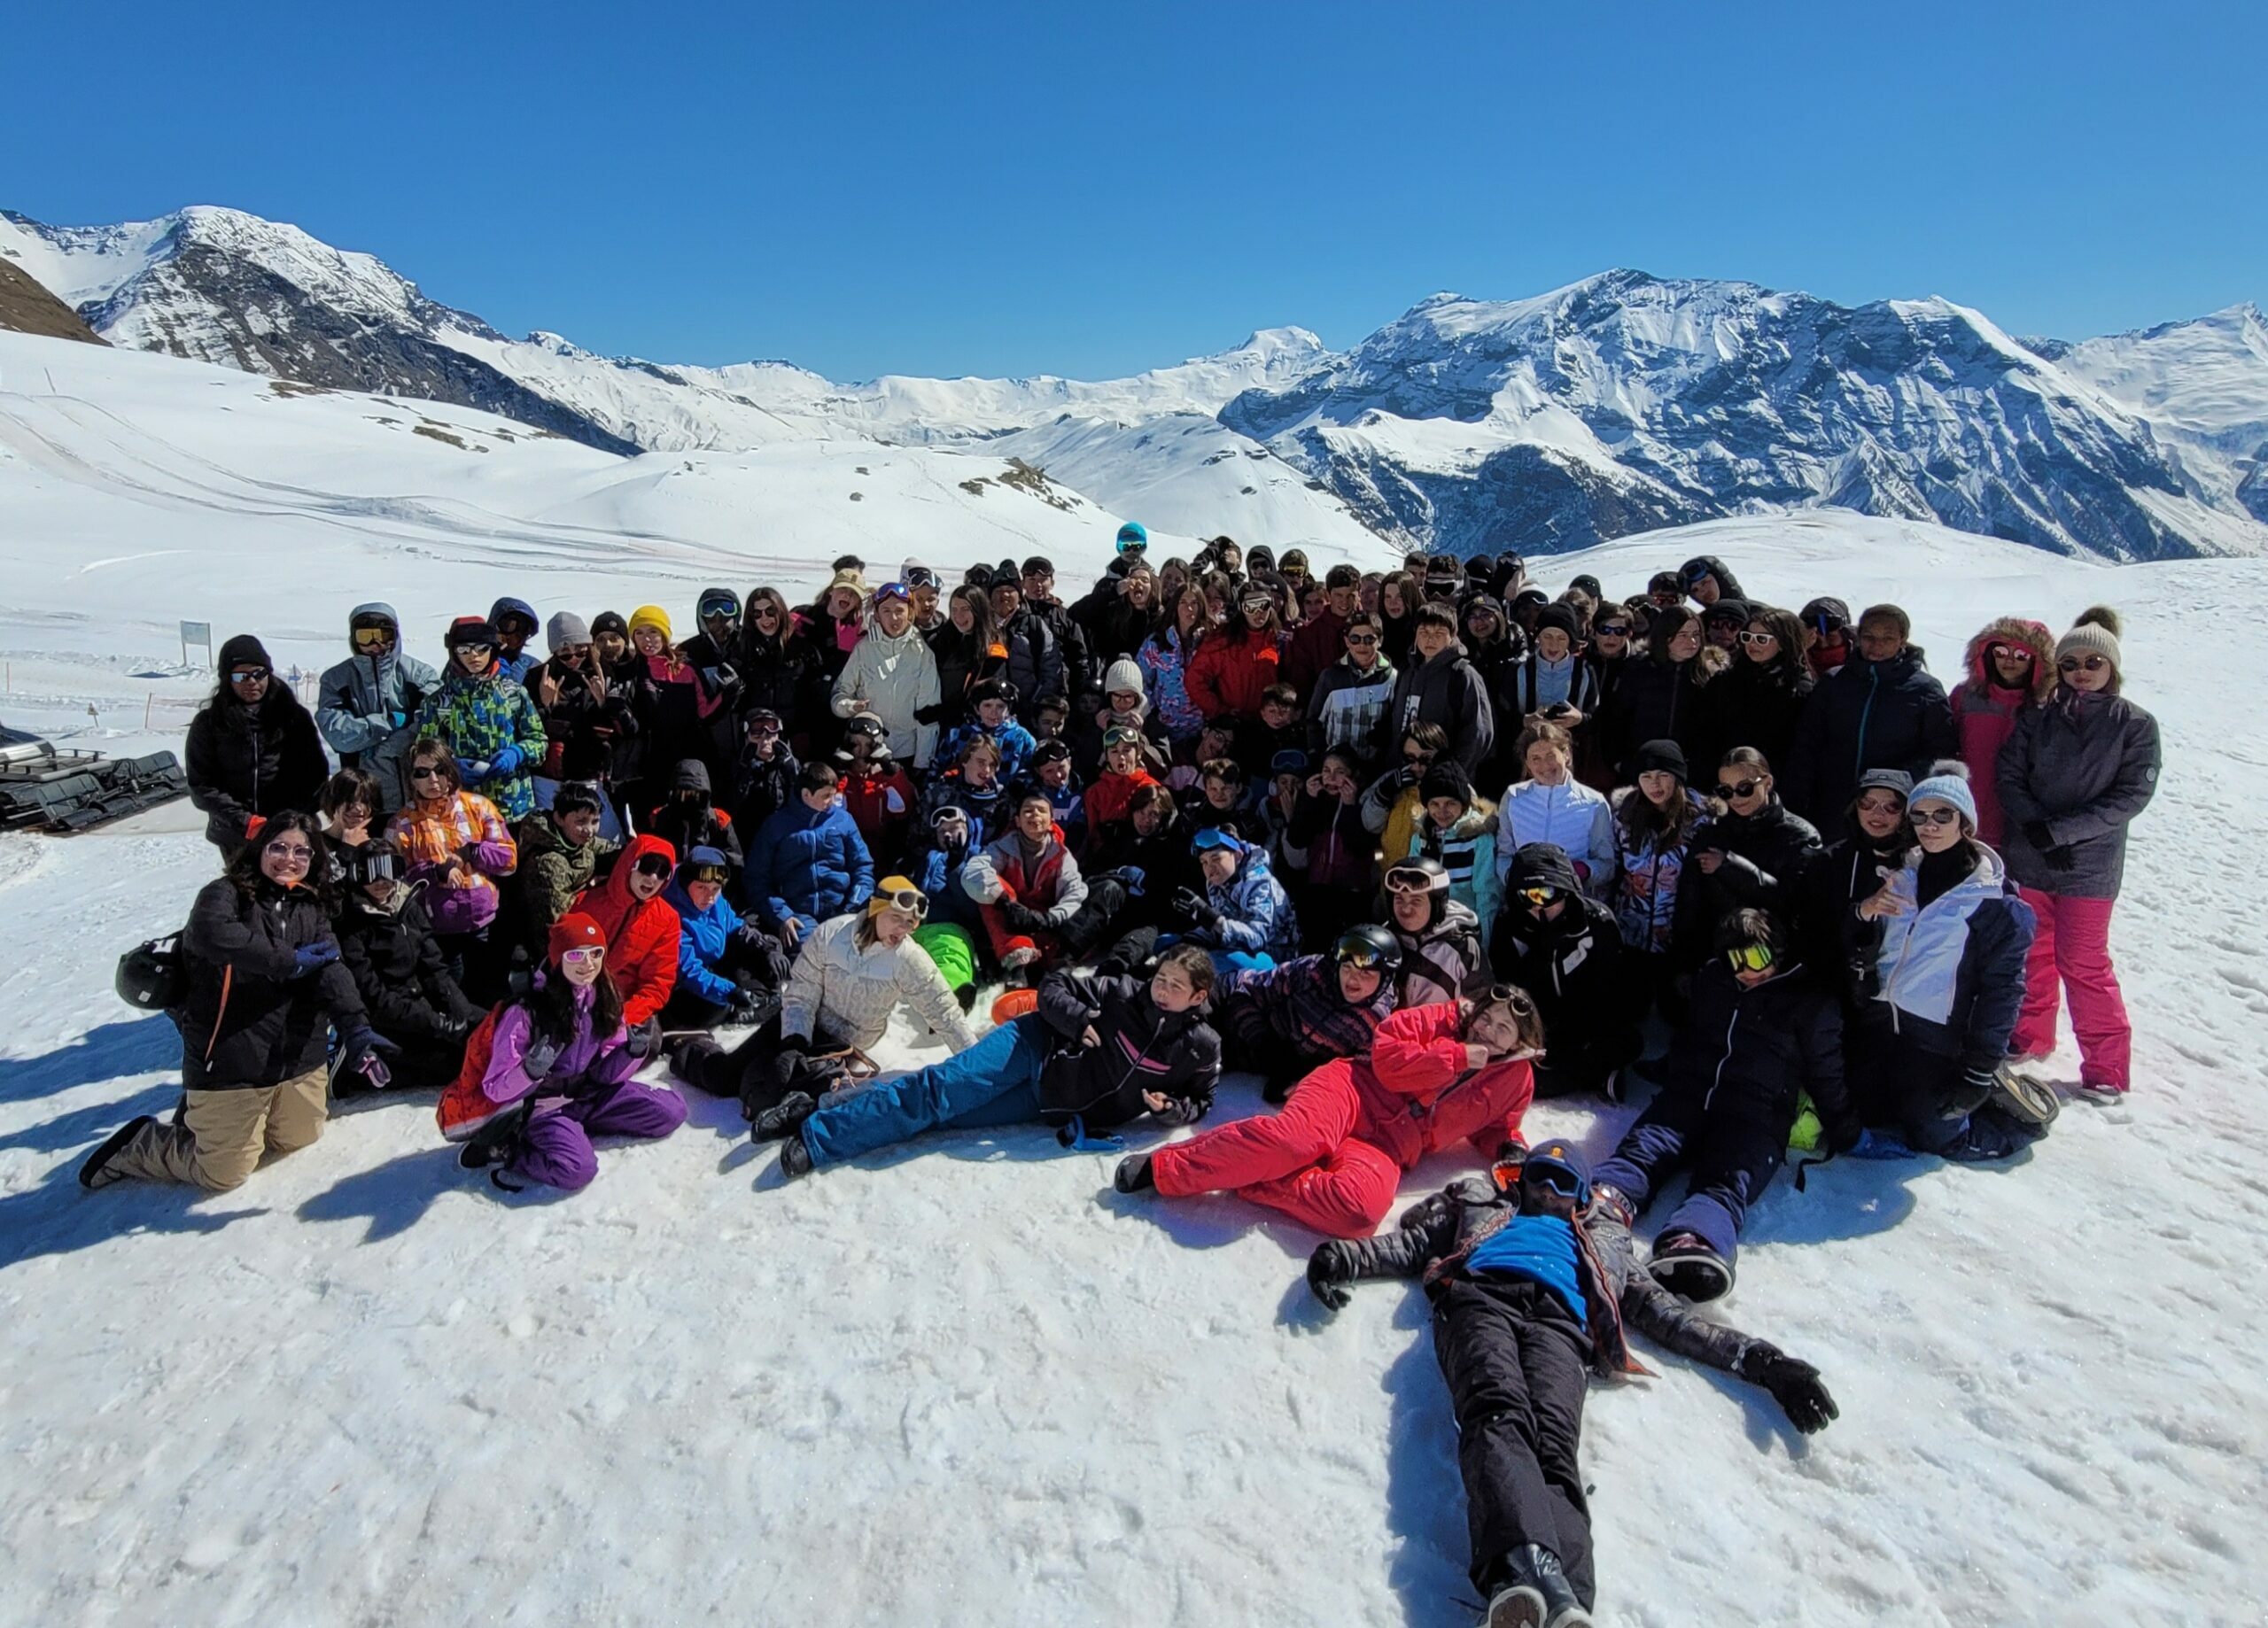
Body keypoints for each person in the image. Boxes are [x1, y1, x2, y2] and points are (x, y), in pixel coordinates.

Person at [1305, 1140, 1838, 1628]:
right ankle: (1521, 1573)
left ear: (1582, 1198)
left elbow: (1667, 1315)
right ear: (1522, 1180)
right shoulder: (1482, 1202)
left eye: (1564, 1184)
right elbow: (1412, 1243)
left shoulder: (1607, 1239)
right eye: (1539, 1176)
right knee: (1497, 1411)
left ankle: (1566, 1608)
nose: (1548, 1190)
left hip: (1561, 1325)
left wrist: (1763, 1362)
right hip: (1482, 1301)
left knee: (1555, 1448)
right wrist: (1343, 1257)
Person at [79, 813, 392, 1192]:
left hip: (296, 1056)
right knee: (224, 1174)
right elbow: (215, 936)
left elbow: (331, 969)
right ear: (260, 848)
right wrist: (289, 961)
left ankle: (221, 1122)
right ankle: (141, 1143)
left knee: (300, 1138)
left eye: (301, 852)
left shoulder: (311, 907)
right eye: (278, 847)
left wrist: (356, 1028)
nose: (288, 859)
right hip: (231, 1057)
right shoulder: (224, 895)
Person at [753, 946, 1222, 1178]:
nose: (1161, 989)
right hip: (1033, 1044)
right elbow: (1054, 986)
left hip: (1051, 1102)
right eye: (1161, 978)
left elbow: (1200, 1097)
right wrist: (1078, 1020)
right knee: (936, 1091)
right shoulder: (1122, 993)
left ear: (1198, 996)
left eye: (1175, 987)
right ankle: (821, 1139)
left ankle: (817, 1103)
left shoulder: (1200, 1047)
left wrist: (1170, 1111)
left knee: (941, 1113)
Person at [1115, 988, 1542, 1238]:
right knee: (1294, 1142)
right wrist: (1454, 1055)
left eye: (1502, 1029)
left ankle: (1255, 1178)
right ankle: (1166, 1168)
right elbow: (1389, 1062)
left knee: (1360, 1213)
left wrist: (1510, 1148)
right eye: (1487, 1018)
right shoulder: (1441, 1019)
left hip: (1390, 1145)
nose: (1487, 1031)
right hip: (1353, 1090)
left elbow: (1499, 1126)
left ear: (1519, 1041)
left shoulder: (1516, 1079)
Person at [1593, 908, 1852, 1300]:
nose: (1747, 971)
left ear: (1777, 952)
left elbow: (1827, 1073)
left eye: (1757, 959)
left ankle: (1693, 1241)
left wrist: (1847, 1128)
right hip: (1692, 1094)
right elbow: (1693, 1036)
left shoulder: (1808, 1002)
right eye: (1736, 961)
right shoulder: (1714, 979)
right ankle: (1605, 1205)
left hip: (1756, 1113)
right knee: (1645, 1147)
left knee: (1726, 1180)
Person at [1999, 609, 2158, 1101]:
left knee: (2085, 963)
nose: (2082, 671)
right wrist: (2035, 828)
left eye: (2093, 662)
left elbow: (2131, 795)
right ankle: (2029, 1036)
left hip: (2089, 868)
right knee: (2032, 951)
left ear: (2112, 667)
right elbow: (2009, 775)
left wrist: (2061, 833)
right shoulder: (2037, 717)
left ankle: (2106, 1068)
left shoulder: (2135, 725)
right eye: (2071, 663)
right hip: (2032, 858)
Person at [1849, 765, 2043, 1159]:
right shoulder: (1901, 874)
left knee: (1936, 1136)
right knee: (1863, 1113)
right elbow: (1874, 947)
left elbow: (2002, 993)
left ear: (1965, 822)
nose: (1929, 826)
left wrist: (1979, 1070)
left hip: (1939, 1041)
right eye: (1919, 815)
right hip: (1884, 1027)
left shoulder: (1993, 903)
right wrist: (1863, 920)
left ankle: (2010, 1111)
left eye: (1943, 815)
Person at [672, 881, 977, 1119]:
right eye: (897, 919)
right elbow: (802, 990)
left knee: (761, 1087)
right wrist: (795, 1041)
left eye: (911, 924)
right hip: (802, 1023)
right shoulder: (833, 934)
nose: (905, 929)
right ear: (875, 909)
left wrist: (978, 1063)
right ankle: (691, 1048)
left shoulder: (908, 958)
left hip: (845, 1043)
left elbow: (944, 1011)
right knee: (724, 1078)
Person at [439, 912, 684, 1193]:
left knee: (671, 1110)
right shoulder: (526, 1012)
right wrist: (528, 1072)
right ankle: (508, 1151)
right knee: (577, 1169)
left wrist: (631, 1052)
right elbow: (494, 1087)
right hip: (543, 1106)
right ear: (558, 958)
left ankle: (575, 1129)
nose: (588, 964)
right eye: (576, 956)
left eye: (596, 953)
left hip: (589, 1094)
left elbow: (605, 1075)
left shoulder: (604, 997)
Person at [1782, 603, 1956, 830]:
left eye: (1887, 638)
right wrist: (1800, 793)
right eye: (1869, 637)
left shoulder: (1925, 690)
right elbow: (1807, 742)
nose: (1877, 646)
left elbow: (1940, 751)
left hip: (1890, 809)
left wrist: (1895, 783)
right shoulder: (1835, 682)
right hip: (1831, 805)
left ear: (1902, 639)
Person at [331, 837, 483, 1093]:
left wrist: (459, 1010)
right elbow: (373, 997)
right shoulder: (351, 923)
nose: (380, 881)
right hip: (389, 1021)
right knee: (459, 1063)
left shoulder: (407, 905)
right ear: (357, 875)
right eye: (370, 872)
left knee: (488, 1028)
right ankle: (364, 1067)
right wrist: (437, 1024)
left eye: (389, 870)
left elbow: (433, 966)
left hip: (422, 1004)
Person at [1491, 843, 1640, 1099]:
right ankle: (1589, 1075)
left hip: (1587, 1021)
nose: (1536, 905)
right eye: (1525, 896)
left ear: (1567, 890)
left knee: (1629, 1041)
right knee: (1512, 1067)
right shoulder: (1509, 923)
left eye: (1545, 894)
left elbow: (1614, 991)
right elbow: (1508, 989)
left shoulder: (1596, 922)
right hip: (1539, 1024)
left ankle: (1595, 1070)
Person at [385, 739, 518, 1000]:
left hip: (483, 927)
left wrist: (473, 852)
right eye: (421, 773)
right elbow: (394, 884)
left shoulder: (479, 806)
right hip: (437, 934)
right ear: (411, 779)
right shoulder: (401, 822)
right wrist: (434, 872)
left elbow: (509, 860)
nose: (432, 779)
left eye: (439, 770)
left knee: (490, 996)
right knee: (451, 1001)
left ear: (451, 771)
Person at [1216, 926, 1403, 1103]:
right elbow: (1245, 991)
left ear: (1385, 979)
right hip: (1237, 1020)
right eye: (1347, 968)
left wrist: (1311, 1082)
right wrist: (1264, 1044)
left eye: (1366, 974)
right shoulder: (1310, 973)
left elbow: (1360, 1073)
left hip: (1283, 1068)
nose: (1352, 979)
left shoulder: (1376, 1022)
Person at [185, 633, 330, 859]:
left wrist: (288, 821)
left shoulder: (293, 718)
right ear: (227, 679)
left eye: (258, 673)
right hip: (237, 836)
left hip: (292, 832)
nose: (251, 682)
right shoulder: (210, 723)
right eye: (241, 675)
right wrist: (246, 822)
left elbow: (315, 776)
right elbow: (202, 786)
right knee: (247, 892)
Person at [1607, 740, 1712, 1025]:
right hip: (1632, 930)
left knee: (1675, 1011)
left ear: (1677, 777)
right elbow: (1614, 867)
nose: (1655, 784)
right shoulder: (1625, 816)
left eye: (1663, 775)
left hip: (1678, 933)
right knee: (1630, 1009)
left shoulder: (1702, 821)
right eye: (1646, 777)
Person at [408, 616, 548, 823]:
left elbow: (539, 741)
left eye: (482, 649)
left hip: (512, 807)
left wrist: (517, 753)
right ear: (454, 653)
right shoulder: (440, 701)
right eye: (464, 650)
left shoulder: (514, 694)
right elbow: (425, 751)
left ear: (493, 650)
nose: (474, 656)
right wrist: (451, 767)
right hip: (460, 809)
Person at [1801, 768, 1912, 1009]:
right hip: (1841, 991)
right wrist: (1862, 912)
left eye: (1891, 806)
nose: (1877, 813)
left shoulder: (1918, 863)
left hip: (1902, 997)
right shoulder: (1828, 862)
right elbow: (1815, 933)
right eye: (1867, 803)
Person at [317, 603, 439, 814]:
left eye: (383, 635)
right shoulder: (336, 680)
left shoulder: (420, 675)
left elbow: (432, 723)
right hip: (362, 800)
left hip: (416, 794)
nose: (375, 644)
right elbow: (338, 734)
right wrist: (391, 722)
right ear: (354, 639)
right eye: (365, 636)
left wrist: (387, 747)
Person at [744, 758, 874, 949]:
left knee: (849, 952)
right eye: (826, 796)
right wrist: (782, 914)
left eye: (833, 794)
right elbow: (756, 877)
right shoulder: (776, 826)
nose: (832, 801)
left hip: (842, 908)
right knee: (811, 952)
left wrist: (854, 905)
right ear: (806, 794)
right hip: (798, 913)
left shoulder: (843, 821)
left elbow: (863, 866)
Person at [1950, 616, 2056, 848]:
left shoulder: (2045, 708)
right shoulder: (1966, 697)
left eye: (2021, 655)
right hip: (1965, 814)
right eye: (2000, 652)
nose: (2009, 661)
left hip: (2016, 824)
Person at [962, 787, 1091, 974]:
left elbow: (1075, 891)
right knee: (991, 885)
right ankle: (1017, 960)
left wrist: (1049, 918)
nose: (1035, 815)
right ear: (1018, 821)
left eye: (1041, 811)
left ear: (1051, 822)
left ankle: (1041, 962)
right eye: (1028, 811)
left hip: (1041, 922)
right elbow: (972, 872)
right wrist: (1004, 900)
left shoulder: (1061, 856)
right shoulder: (1002, 848)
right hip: (1009, 917)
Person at [527, 611, 631, 831]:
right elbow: (527, 727)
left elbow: (624, 729)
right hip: (551, 778)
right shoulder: (538, 678)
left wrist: (604, 702)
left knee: (608, 838)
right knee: (554, 837)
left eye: (580, 651)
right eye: (565, 654)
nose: (574, 658)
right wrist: (545, 706)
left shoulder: (604, 673)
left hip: (590, 775)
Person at [1594, 604, 1720, 778]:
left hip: (1689, 775)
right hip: (1641, 770)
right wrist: (1618, 763)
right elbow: (1615, 719)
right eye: (1683, 635)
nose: (1691, 642)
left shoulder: (1709, 676)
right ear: (1665, 637)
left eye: (1696, 635)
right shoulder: (1638, 670)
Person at [1495, 723, 1615, 899]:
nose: (1545, 765)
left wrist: (1580, 872)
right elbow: (1504, 855)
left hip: (1574, 902)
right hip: (1525, 903)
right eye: (1536, 758)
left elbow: (1607, 865)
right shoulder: (1513, 797)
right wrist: (1514, 878)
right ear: (1527, 764)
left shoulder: (1594, 803)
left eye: (1551, 755)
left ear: (1566, 755)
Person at [571, 833, 680, 1026]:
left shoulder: (667, 920)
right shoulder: (587, 902)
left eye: (662, 872)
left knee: (645, 1042)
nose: (652, 878)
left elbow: (656, 984)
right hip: (575, 998)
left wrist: (623, 1019)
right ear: (630, 865)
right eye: (646, 868)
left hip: (620, 1006)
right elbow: (562, 955)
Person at [832, 578, 942, 770]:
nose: (894, 618)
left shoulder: (922, 653)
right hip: (866, 751)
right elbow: (839, 695)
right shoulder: (864, 650)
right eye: (887, 611)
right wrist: (850, 707)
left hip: (906, 752)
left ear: (909, 612)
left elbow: (928, 715)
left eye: (899, 611)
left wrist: (922, 764)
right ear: (877, 614)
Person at [620, 605, 730, 794]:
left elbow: (705, 712)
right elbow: (631, 723)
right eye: (639, 633)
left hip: (693, 755)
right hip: (652, 759)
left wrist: (730, 692)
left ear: (664, 634)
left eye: (654, 632)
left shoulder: (686, 667)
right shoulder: (630, 671)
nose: (647, 640)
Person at [1381, 603, 1495, 779]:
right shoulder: (1408, 671)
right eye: (1424, 633)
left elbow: (1478, 734)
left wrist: (1452, 774)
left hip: (1443, 781)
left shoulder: (1463, 675)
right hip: (1403, 774)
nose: (1430, 640)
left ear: (1452, 636)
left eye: (1439, 634)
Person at [1697, 605, 1814, 772]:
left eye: (1761, 639)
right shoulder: (1724, 681)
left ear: (1783, 643)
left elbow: (1801, 750)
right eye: (1747, 637)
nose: (1752, 644)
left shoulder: (1801, 691)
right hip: (1722, 777)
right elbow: (1704, 734)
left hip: (1772, 783)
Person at [503, 779, 607, 959]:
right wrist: (592, 888)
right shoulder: (548, 863)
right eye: (581, 821)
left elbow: (608, 848)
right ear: (559, 818)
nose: (589, 830)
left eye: (595, 821)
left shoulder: (575, 838)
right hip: (551, 945)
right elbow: (555, 919)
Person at [1173, 826, 1297, 974]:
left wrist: (1213, 920)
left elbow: (1258, 938)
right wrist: (1191, 939)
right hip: (1236, 945)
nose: (1210, 868)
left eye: (1216, 858)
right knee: (1169, 945)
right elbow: (1222, 922)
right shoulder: (1216, 881)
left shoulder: (1258, 881)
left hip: (1275, 955)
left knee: (1206, 964)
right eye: (1204, 862)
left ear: (1237, 856)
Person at [1287, 747, 1375, 948]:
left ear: (1353, 777)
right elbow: (1296, 839)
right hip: (1317, 887)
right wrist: (1308, 799)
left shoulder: (1363, 802)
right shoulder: (1316, 800)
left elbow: (1360, 847)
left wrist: (1350, 805)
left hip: (1351, 892)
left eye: (1340, 772)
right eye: (1326, 770)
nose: (1331, 777)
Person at [1383, 856, 1491, 1009]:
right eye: (1399, 900)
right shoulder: (1385, 940)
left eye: (1416, 901)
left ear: (1437, 905)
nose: (1406, 909)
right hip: (1391, 1030)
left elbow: (1479, 1005)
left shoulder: (1463, 947)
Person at [1408, 761, 1502, 935]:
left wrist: (1485, 940)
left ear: (1464, 804)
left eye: (1450, 803)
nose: (1442, 811)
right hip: (1428, 928)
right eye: (1435, 804)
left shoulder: (1479, 839)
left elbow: (1486, 894)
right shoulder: (1420, 838)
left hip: (1466, 929)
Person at [1307, 609, 1398, 772]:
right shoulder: (1330, 677)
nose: (1362, 645)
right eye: (1355, 639)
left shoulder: (1392, 678)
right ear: (1347, 642)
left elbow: (1396, 724)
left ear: (1380, 641)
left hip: (1373, 769)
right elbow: (1314, 721)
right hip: (1336, 770)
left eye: (1369, 639)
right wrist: (1319, 758)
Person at [734, 586, 826, 746]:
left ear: (781, 611)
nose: (765, 618)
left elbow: (816, 698)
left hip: (796, 734)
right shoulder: (742, 650)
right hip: (758, 735)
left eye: (770, 611)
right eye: (757, 613)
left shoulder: (803, 649)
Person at [1185, 583, 1287, 725]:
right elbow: (1194, 679)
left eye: (1263, 605)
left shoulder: (1280, 641)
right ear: (1241, 608)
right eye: (1250, 606)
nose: (1258, 612)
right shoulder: (1223, 639)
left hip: (1269, 723)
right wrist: (1219, 710)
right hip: (1232, 723)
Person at [1360, 722, 1450, 871]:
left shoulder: (1453, 786)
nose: (1416, 767)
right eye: (1410, 759)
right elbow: (1370, 825)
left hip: (1432, 881)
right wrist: (1383, 795)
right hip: (1392, 878)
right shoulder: (1392, 780)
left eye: (1425, 759)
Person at [644, 756, 744, 887]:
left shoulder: (718, 821)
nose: (688, 800)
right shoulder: (658, 819)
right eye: (682, 794)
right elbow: (645, 860)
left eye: (696, 795)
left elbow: (735, 866)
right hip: (666, 890)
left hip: (709, 891)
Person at [936, 678, 1038, 784]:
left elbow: (1033, 771)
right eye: (987, 705)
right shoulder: (957, 734)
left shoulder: (1021, 737)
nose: (994, 712)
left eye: (1000, 706)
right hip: (960, 795)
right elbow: (938, 766)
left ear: (1008, 709)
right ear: (976, 708)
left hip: (1006, 796)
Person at [1285, 563, 1362, 693]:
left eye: (1350, 595)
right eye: (1339, 595)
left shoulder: (1372, 626)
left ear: (1359, 594)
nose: (1345, 601)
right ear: (1328, 595)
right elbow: (1300, 680)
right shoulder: (1308, 634)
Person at [317, 766, 384, 861]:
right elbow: (327, 875)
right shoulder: (315, 844)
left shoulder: (376, 846)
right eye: (351, 800)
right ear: (333, 802)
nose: (359, 809)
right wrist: (348, 848)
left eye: (365, 802)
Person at [485, 596, 542, 685]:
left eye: (524, 629)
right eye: (509, 626)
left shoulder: (531, 667)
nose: (514, 637)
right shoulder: (477, 663)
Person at [1679, 554, 1745, 607]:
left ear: (1719, 579)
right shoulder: (1701, 622)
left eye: (1704, 583)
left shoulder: (1753, 616)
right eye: (1695, 590)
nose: (1703, 591)